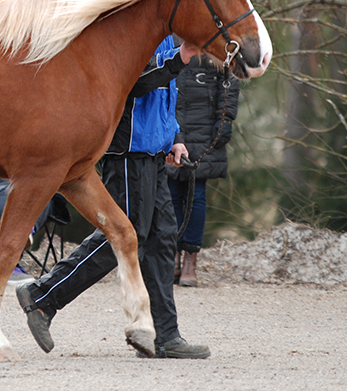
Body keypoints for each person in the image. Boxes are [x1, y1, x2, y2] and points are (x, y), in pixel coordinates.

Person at [16, 35, 211, 359]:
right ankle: (43, 296)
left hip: (153, 152)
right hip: (128, 152)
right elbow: (136, 80)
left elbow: (165, 94)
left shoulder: (168, 34)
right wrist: (180, 57)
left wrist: (175, 137)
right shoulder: (136, 30)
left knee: (162, 241)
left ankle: (163, 336)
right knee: (120, 236)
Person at [168, 54, 240, 287]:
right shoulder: (169, 40)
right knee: (170, 193)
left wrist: (225, 120)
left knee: (195, 194)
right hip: (172, 123)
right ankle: (172, 255)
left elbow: (229, 81)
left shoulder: (215, 46)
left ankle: (190, 258)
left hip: (204, 128)